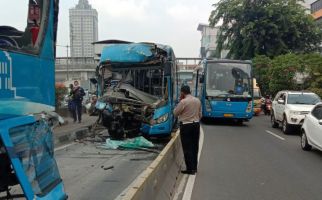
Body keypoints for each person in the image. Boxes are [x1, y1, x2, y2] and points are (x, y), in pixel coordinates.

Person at [174, 85, 202, 175]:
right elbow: (200, 114)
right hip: (196, 125)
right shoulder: (197, 100)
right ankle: (194, 167)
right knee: (195, 146)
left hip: (186, 126)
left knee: (187, 147)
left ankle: (190, 169)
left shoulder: (183, 102)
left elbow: (175, 113)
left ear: (182, 92)